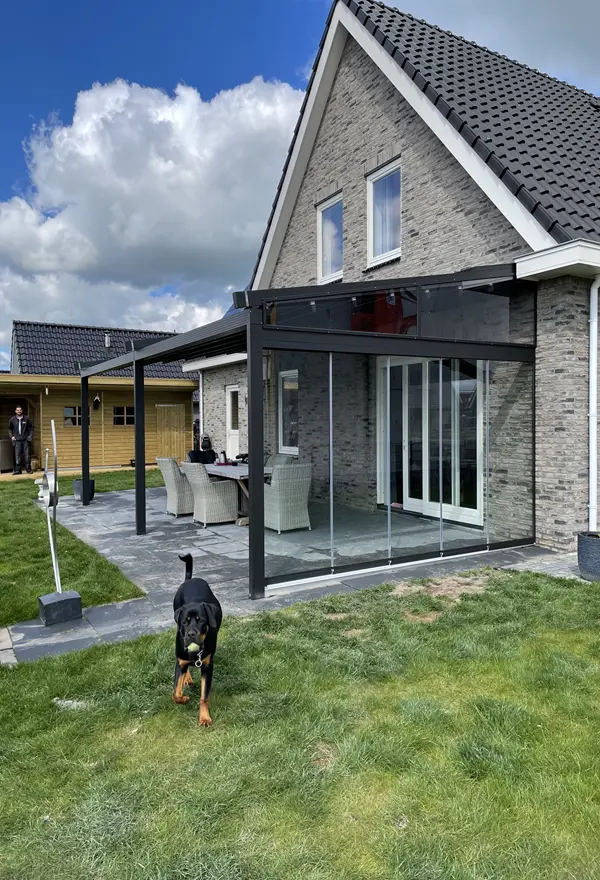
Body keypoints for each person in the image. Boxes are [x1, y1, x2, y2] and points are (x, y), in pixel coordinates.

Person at [8, 406, 34, 475]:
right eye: (17, 410)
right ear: (15, 411)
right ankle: (18, 470)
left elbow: (31, 428)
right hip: (17, 440)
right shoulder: (12, 419)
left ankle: (28, 469)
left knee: (27, 456)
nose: (19, 411)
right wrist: (12, 436)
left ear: (22, 411)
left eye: (20, 410)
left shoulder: (26, 418)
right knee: (17, 456)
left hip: (25, 440)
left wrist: (30, 436)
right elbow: (10, 429)